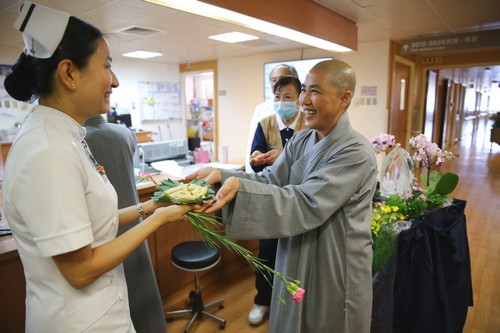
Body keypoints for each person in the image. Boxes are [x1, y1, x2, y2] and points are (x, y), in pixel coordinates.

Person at [2, 2, 199, 332]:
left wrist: (150, 206)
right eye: (107, 66)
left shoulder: (67, 137)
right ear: (69, 74)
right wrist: (159, 220)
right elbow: (80, 271)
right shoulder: (48, 151)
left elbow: (94, 221)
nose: (116, 81)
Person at [187, 59, 378, 332]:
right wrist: (223, 176)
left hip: (333, 263)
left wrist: (239, 189)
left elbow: (306, 202)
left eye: (315, 91)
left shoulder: (355, 152)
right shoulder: (301, 140)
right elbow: (271, 180)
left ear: (344, 98)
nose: (304, 100)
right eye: (304, 91)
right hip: (295, 251)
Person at [84, 115, 167, 333]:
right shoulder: (123, 133)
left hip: (110, 225)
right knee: (141, 283)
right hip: (132, 220)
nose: (113, 82)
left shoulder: (80, 140)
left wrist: (154, 210)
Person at [246, 75, 306, 325]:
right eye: (277, 97)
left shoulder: (309, 125)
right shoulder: (266, 124)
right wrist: (258, 158)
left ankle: (297, 305)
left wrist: (284, 157)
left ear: (300, 99)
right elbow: (254, 160)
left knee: (297, 255)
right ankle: (262, 300)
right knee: (267, 254)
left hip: (299, 202)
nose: (282, 102)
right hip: (271, 202)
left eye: (288, 97)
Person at [245, 63, 298, 173]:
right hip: (270, 180)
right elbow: (253, 144)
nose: (277, 83)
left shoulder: (308, 118)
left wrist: (283, 158)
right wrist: (256, 158)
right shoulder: (262, 111)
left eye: (282, 79)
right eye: (274, 80)